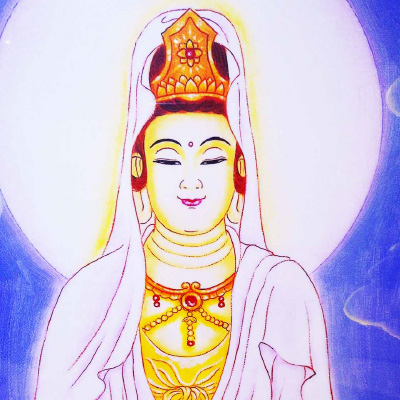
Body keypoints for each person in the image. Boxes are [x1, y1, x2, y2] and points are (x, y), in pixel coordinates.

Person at [35, 9, 333, 400]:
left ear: (240, 170)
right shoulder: (92, 297)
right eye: (168, 160)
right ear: (138, 170)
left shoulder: (279, 290)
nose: (191, 181)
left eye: (211, 159)